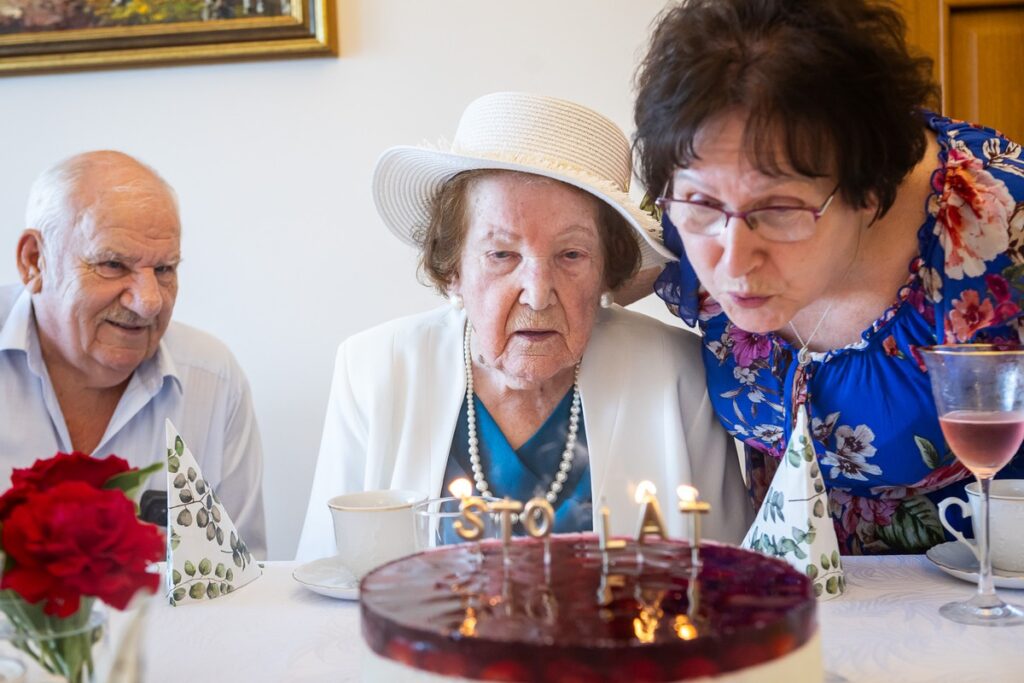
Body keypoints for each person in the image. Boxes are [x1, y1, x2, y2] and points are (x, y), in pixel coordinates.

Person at [631, 0, 1024, 555]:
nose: (734, 263)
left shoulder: (1002, 228)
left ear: (871, 194)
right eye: (701, 205)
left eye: (781, 211)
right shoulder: (691, 212)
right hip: (794, 597)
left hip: (984, 601)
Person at [296, 92, 751, 561]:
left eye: (571, 255)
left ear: (605, 272)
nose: (537, 292)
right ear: (452, 267)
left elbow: (730, 582)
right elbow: (328, 579)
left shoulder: (677, 374)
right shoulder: (373, 369)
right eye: (502, 255)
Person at [1, 150, 267, 557]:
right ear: (34, 262)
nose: (149, 302)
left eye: (165, 270)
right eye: (112, 264)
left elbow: (236, 585)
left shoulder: (212, 381)